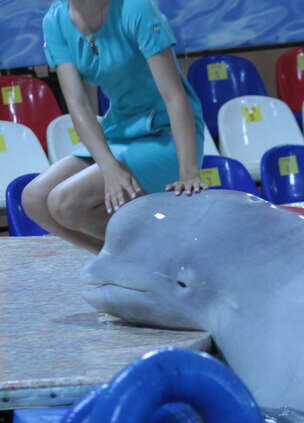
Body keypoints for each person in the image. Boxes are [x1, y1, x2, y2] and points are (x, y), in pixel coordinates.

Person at [23, 0, 206, 253]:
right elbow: (79, 105)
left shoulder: (136, 8)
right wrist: (108, 165)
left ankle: (163, 254)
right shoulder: (54, 20)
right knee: (34, 199)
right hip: (119, 130)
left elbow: (174, 97)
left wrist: (188, 174)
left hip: (167, 135)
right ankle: (120, 259)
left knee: (65, 203)